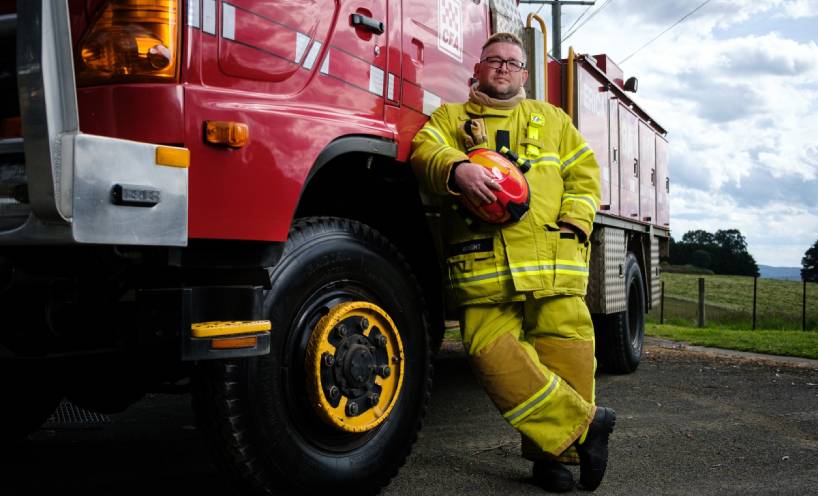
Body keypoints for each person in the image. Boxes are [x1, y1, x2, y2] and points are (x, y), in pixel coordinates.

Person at [410, 32, 615, 492]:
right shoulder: (449, 118)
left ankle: (553, 460)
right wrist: (456, 168)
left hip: (554, 265)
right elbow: (424, 151)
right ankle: (585, 428)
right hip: (482, 269)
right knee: (490, 356)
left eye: (512, 62)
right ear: (476, 70)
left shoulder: (554, 120)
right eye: (493, 60)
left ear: (525, 74)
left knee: (569, 358)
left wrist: (577, 220)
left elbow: (584, 175)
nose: (503, 67)